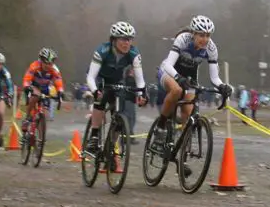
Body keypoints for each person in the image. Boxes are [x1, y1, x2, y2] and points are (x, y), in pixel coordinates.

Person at [157, 15, 233, 131]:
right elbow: (168, 65)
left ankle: (184, 146)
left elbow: (214, 78)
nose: (205, 39)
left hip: (189, 78)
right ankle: (160, 127)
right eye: (201, 35)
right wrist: (178, 78)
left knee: (187, 112)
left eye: (208, 35)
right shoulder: (183, 39)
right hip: (169, 72)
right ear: (193, 34)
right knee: (177, 90)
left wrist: (222, 86)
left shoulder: (211, 48)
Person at [84, 22, 148, 154]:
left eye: (129, 39)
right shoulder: (102, 51)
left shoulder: (134, 54)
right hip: (99, 78)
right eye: (123, 39)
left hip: (116, 80)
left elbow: (140, 80)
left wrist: (142, 93)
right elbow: (90, 77)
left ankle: (111, 148)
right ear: (113, 40)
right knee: (101, 99)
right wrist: (95, 91)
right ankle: (94, 136)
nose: (127, 43)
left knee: (119, 115)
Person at [21, 47, 64, 133]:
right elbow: (27, 78)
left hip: (45, 89)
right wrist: (26, 86)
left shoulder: (54, 69)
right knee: (36, 95)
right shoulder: (34, 65)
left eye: (50, 64)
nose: (48, 66)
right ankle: (27, 118)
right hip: (34, 86)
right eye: (46, 63)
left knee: (45, 114)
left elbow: (58, 80)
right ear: (41, 60)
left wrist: (60, 92)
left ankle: (40, 138)